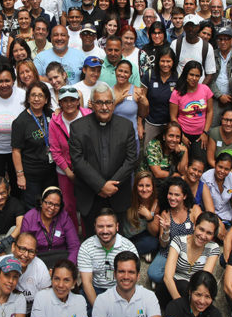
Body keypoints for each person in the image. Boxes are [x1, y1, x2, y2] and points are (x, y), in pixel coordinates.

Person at [69, 83, 139, 225]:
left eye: (108, 102)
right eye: (99, 102)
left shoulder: (126, 126)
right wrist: (100, 185)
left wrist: (110, 186)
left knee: (117, 237)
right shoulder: (78, 127)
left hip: (118, 194)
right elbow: (77, 161)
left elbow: (131, 159)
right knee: (91, 236)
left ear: (113, 104)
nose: (104, 107)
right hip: (90, 195)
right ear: (92, 104)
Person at [160, 212, 222, 310]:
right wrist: (181, 305)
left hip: (194, 294)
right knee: (183, 285)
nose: (203, 236)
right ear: (194, 226)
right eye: (201, 229)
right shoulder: (178, 241)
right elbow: (167, 278)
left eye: (209, 233)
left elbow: (204, 279)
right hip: (172, 289)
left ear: (213, 235)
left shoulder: (213, 248)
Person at [48, 85, 90, 229]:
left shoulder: (88, 116)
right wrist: (69, 173)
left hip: (87, 169)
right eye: (65, 101)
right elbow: (55, 151)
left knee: (87, 204)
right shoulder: (55, 121)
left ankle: (88, 234)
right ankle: (73, 235)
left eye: (72, 100)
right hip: (65, 170)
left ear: (78, 101)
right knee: (68, 205)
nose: (69, 104)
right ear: (60, 103)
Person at [11, 82, 57, 208]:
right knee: (33, 207)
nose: (36, 99)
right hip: (31, 174)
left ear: (46, 99)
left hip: (51, 172)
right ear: (28, 98)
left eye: (40, 95)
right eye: (33, 95)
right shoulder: (20, 122)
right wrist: (20, 175)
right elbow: (16, 151)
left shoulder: (51, 115)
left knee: (50, 205)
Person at [78, 208, 137, 305]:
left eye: (109, 226)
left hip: (120, 290)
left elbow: (131, 280)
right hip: (95, 289)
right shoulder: (86, 247)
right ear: (95, 227)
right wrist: (99, 309)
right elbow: (86, 283)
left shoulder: (128, 247)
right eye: (100, 226)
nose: (105, 231)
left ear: (117, 226)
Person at [169, 61, 213, 151]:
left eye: (197, 76)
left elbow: (210, 111)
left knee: (199, 159)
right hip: (183, 133)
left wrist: (205, 132)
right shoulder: (176, 93)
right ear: (186, 74)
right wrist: (181, 135)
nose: (194, 78)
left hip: (201, 134)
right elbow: (173, 116)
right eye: (191, 75)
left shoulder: (206, 90)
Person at [200, 152, 232, 232]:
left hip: (227, 215)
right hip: (210, 216)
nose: (222, 171)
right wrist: (219, 225)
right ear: (215, 165)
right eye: (220, 167)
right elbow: (209, 208)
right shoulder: (205, 177)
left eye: (226, 169)